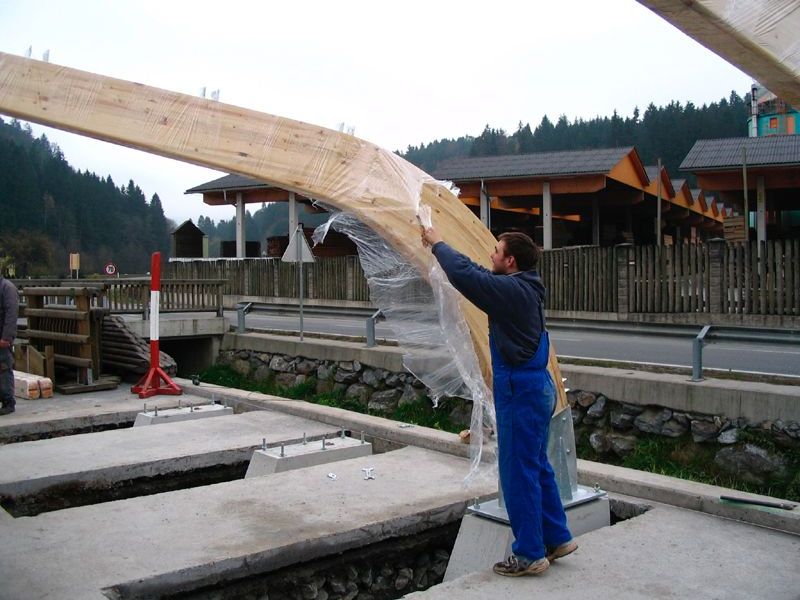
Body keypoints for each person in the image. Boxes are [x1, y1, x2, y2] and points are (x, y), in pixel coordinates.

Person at [421, 226, 576, 577]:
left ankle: (529, 554)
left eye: (497, 251)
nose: (491, 255)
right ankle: (558, 537)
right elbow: (476, 271)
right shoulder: (523, 287)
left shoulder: (510, 292)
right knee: (536, 465)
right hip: (536, 388)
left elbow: (467, 276)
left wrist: (437, 242)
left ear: (510, 261)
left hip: (520, 392)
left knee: (517, 473)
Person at [0, 274, 18, 415]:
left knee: (4, 368)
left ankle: (8, 402)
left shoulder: (7, 287)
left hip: (2, 336)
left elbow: (12, 314)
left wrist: (6, 337)